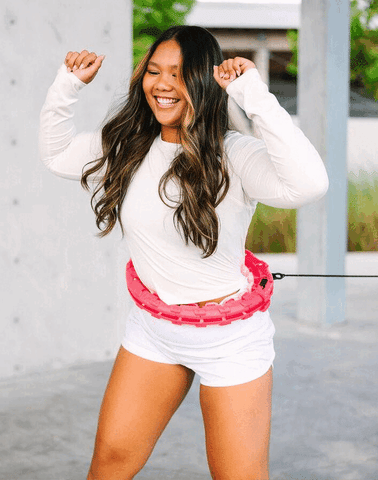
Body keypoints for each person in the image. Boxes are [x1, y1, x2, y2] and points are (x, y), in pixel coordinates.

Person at [39, 25, 328, 480]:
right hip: (153, 330)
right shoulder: (127, 146)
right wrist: (67, 85)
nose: (162, 84)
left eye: (177, 73)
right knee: (109, 465)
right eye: (154, 71)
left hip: (230, 342)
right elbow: (57, 155)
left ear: (203, 80)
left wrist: (253, 94)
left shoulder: (234, 155)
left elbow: (309, 184)